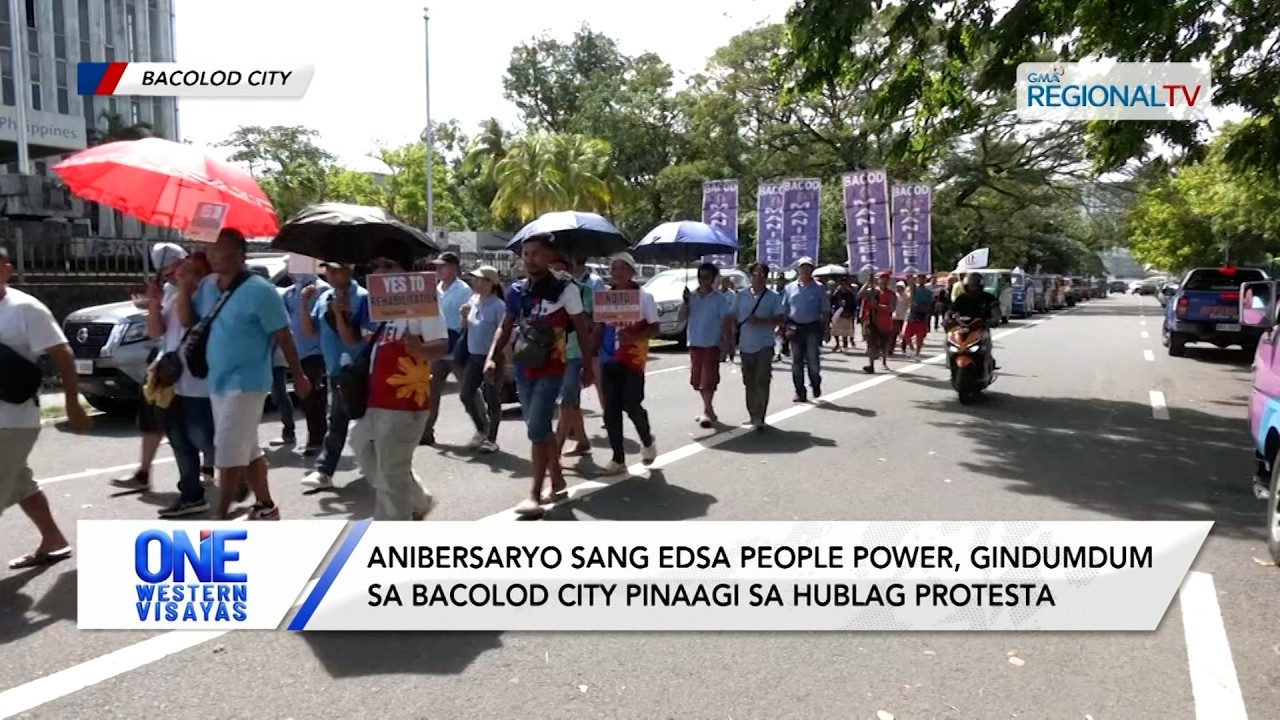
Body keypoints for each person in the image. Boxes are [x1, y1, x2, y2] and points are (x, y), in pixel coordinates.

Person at [182, 229, 311, 520]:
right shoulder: (208, 287)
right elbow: (188, 321)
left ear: (239, 254)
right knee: (249, 450)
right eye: (210, 249)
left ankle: (220, 517)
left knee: (227, 453)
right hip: (217, 381)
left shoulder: (260, 290)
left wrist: (299, 374)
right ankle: (266, 505)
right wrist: (185, 288)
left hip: (247, 383)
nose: (213, 255)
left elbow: (284, 335)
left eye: (220, 249)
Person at [486, 233, 595, 516]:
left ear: (549, 257)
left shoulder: (565, 290)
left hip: (554, 367)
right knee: (539, 428)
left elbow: (582, 330)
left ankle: (534, 494)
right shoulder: (516, 290)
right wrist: (491, 358)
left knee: (536, 429)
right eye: (525, 254)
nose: (529, 259)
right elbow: (505, 327)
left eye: (535, 253)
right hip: (524, 366)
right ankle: (557, 479)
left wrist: (587, 366)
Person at [0, 247, 90, 570]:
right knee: (20, 483)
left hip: (13, 419)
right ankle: (54, 540)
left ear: (6, 269)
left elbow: (62, 355)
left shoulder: (26, 309)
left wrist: (72, 403)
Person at [348, 250, 447, 520]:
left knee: (391, 474)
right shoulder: (376, 306)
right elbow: (358, 342)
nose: (380, 271)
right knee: (361, 446)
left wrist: (420, 349)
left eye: (388, 264)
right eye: (375, 265)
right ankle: (418, 500)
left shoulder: (422, 301)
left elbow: (441, 345)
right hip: (373, 399)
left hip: (404, 402)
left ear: (405, 271)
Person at [110, 242, 191, 492]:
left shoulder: (198, 288)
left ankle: (214, 471)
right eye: (164, 272)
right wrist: (154, 304)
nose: (170, 275)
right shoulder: (167, 290)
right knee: (151, 417)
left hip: (190, 366)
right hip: (166, 364)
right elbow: (156, 331)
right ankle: (143, 472)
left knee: (192, 427)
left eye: (173, 269)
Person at [144, 252, 217, 517]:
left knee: (204, 438)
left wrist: (186, 288)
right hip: (172, 381)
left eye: (192, 270)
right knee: (178, 439)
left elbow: (188, 321)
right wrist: (154, 302)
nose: (182, 274)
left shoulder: (209, 295)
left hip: (200, 382)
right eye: (182, 270)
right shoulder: (173, 295)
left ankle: (244, 468)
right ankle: (191, 494)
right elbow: (156, 331)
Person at [298, 262, 371, 489]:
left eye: (335, 269)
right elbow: (309, 332)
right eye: (327, 269)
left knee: (341, 419)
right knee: (343, 419)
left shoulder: (363, 297)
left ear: (349, 271)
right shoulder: (324, 297)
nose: (329, 274)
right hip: (334, 369)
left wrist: (340, 315)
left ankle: (324, 469)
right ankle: (372, 462)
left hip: (357, 369)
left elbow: (353, 340)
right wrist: (303, 303)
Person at [596, 252, 660, 474]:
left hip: (632, 359)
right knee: (610, 409)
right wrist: (590, 354)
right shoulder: (605, 298)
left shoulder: (644, 297)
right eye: (614, 268)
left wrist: (634, 337)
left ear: (632, 272)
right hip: (608, 359)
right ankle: (618, 459)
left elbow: (655, 328)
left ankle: (647, 439)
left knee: (631, 404)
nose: (618, 273)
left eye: (623, 268)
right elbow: (598, 327)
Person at [272, 267, 329, 453]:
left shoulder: (323, 290)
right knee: (305, 397)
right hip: (299, 352)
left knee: (312, 395)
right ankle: (319, 433)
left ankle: (316, 439)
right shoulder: (289, 293)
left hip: (318, 351)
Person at [421, 251, 472, 446]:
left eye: (443, 266)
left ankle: (483, 427)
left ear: (453, 268)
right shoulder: (435, 289)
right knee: (431, 391)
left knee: (467, 392)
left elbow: (469, 320)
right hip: (437, 346)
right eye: (437, 266)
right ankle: (427, 431)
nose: (439, 269)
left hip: (457, 347)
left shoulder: (464, 290)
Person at [458, 265, 505, 454]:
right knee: (466, 394)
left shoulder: (499, 306)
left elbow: (504, 334)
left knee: (492, 397)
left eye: (479, 279)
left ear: (490, 283)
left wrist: (507, 363)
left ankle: (492, 439)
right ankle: (481, 429)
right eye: (474, 279)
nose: (475, 282)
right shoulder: (473, 300)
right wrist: (463, 317)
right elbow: (466, 327)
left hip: (492, 358)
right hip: (473, 355)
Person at [679, 263, 732, 428]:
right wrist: (685, 302)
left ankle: (707, 410)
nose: (703, 280)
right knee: (697, 380)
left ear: (713, 279)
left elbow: (725, 322)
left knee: (708, 380)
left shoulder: (719, 299)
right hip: (695, 343)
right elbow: (681, 317)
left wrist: (728, 343)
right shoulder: (691, 297)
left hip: (712, 343)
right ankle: (708, 409)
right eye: (700, 277)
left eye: (707, 277)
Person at [551, 255, 594, 458]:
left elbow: (589, 323)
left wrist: (572, 304)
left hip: (574, 352)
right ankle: (582, 440)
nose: (558, 274)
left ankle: (556, 449)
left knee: (566, 399)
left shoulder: (583, 290)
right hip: (552, 353)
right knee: (571, 399)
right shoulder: (545, 292)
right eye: (553, 270)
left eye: (562, 269)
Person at [736, 262, 784, 430]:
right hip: (745, 345)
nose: (758, 277)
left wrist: (761, 321)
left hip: (764, 344)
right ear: (750, 277)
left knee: (762, 381)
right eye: (755, 274)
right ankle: (752, 414)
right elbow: (732, 316)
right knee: (749, 382)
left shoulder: (773, 297)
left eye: (762, 274)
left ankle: (760, 417)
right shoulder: (741, 296)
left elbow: (780, 318)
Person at [781, 257, 829, 403]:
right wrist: (781, 328)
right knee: (797, 362)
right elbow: (785, 309)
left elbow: (825, 310)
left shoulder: (819, 288)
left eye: (808, 267)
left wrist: (826, 329)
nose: (805, 270)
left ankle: (815, 382)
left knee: (813, 361)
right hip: (795, 328)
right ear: (798, 269)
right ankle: (800, 392)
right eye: (802, 267)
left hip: (812, 328)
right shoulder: (790, 288)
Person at [949, 272, 1000, 368]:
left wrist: (993, 320)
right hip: (962, 327)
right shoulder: (961, 298)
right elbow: (951, 310)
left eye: (974, 286)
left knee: (985, 345)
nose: (972, 289)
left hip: (980, 327)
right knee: (949, 341)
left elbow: (995, 311)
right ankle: (951, 362)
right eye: (969, 286)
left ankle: (988, 364)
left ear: (980, 286)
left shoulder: (988, 298)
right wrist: (947, 319)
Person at [861, 271, 897, 374]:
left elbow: (891, 308)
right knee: (871, 344)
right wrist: (868, 283)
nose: (884, 282)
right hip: (872, 321)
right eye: (882, 279)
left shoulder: (891, 294)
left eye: (886, 280)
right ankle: (871, 365)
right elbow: (860, 295)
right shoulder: (872, 291)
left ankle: (884, 362)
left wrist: (878, 306)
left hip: (885, 322)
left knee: (884, 345)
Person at [903, 273, 934, 357]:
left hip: (922, 314)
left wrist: (922, 305)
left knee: (920, 335)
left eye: (923, 278)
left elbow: (930, 303)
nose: (921, 280)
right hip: (911, 314)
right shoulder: (912, 289)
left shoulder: (928, 292)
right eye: (919, 278)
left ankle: (917, 352)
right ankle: (911, 347)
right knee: (905, 334)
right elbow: (908, 296)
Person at [829, 275, 859, 352]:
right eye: (842, 284)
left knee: (845, 331)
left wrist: (851, 313)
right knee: (836, 330)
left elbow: (853, 304)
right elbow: (832, 302)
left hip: (847, 313)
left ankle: (845, 344)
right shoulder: (837, 293)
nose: (843, 285)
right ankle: (837, 344)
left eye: (845, 284)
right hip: (838, 313)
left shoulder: (850, 293)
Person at [718, 276, 738, 363]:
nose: (724, 284)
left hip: (730, 318)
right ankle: (722, 355)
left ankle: (731, 354)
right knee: (720, 337)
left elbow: (734, 306)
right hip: (719, 319)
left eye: (726, 282)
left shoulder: (732, 294)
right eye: (723, 282)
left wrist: (729, 315)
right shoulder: (717, 293)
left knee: (730, 337)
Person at [891, 280, 911, 355]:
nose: (899, 289)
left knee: (904, 333)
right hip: (895, 317)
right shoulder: (894, 295)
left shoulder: (907, 296)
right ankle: (891, 348)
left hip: (904, 317)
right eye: (898, 287)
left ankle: (903, 347)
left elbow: (909, 306)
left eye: (901, 287)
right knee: (893, 333)